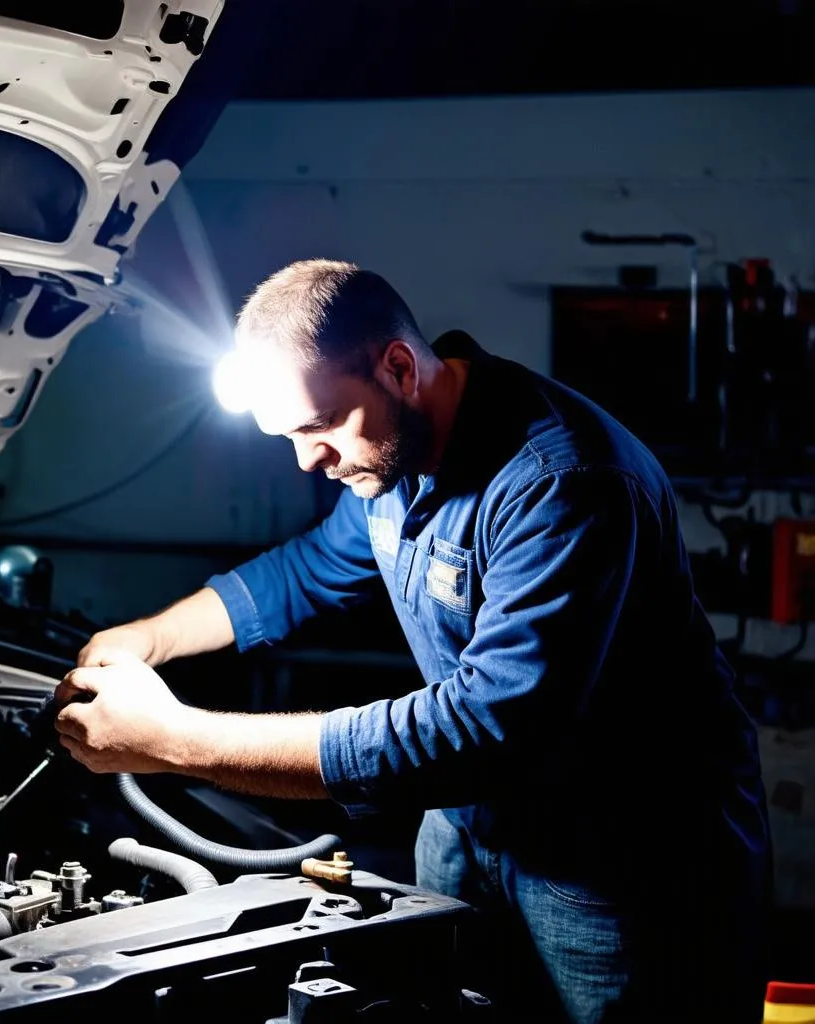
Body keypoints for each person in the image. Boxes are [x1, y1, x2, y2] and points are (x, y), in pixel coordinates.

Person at [53, 259, 770, 1023]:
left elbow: (482, 729)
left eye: (320, 425)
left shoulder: (564, 483)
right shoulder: (395, 460)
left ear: (398, 367)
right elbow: (307, 572)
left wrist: (175, 739)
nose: (307, 459)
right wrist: (148, 638)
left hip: (620, 859)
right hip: (468, 831)